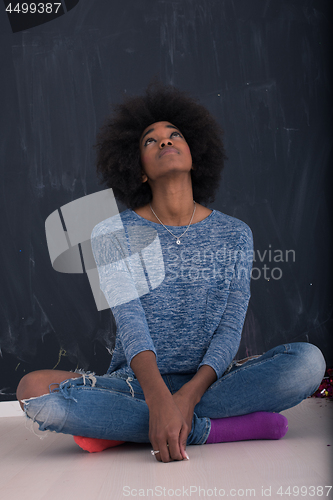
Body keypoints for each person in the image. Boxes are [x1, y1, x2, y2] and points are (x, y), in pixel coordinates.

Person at [16, 83, 326, 463]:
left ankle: (133, 429)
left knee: (309, 363)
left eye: (174, 135)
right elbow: (130, 323)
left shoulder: (235, 234)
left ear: (195, 154)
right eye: (151, 141)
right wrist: (159, 399)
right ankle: (213, 430)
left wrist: (188, 395)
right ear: (139, 171)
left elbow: (230, 327)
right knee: (33, 392)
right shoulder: (112, 233)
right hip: (139, 384)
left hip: (213, 382)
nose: (165, 142)